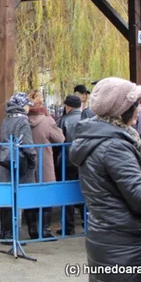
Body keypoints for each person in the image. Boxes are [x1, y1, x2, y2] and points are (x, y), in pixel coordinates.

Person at [70, 77, 141, 282]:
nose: (140, 109)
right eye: (136, 104)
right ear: (123, 109)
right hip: (131, 251)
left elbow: (118, 188)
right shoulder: (116, 146)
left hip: (111, 244)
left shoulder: (99, 139)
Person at [0, 93, 37, 242]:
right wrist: (33, 161)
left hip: (5, 163)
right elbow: (28, 145)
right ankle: (27, 232)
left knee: (8, 201)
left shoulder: (6, 119)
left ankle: (5, 234)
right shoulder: (23, 121)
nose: (28, 108)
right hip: (20, 165)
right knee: (25, 197)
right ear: (21, 105)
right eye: (27, 104)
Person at [27, 101, 64, 239]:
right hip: (44, 163)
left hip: (28, 164)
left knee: (29, 196)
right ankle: (45, 230)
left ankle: (32, 229)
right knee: (46, 194)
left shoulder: (24, 120)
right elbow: (60, 139)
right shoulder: (48, 121)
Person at [56, 94, 84, 235]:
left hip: (66, 161)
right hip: (84, 161)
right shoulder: (88, 119)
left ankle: (68, 226)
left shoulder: (63, 121)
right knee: (84, 191)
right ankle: (87, 222)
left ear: (68, 107)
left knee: (66, 193)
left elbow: (57, 141)